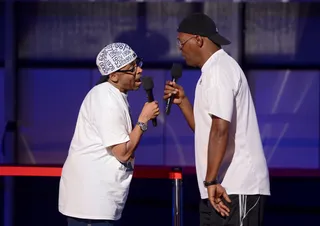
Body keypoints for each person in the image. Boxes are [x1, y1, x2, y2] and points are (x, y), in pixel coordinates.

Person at [163, 13, 270, 226]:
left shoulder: (220, 70)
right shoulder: (211, 72)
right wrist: (184, 102)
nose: (179, 49)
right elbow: (207, 131)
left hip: (237, 186)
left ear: (199, 40)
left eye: (181, 42)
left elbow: (220, 130)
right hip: (218, 186)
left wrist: (211, 179)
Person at [58, 42, 160, 226]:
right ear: (113, 75)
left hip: (98, 200)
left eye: (138, 64)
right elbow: (122, 152)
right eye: (132, 69)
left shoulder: (114, 95)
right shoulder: (105, 99)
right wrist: (143, 121)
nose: (139, 71)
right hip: (91, 203)